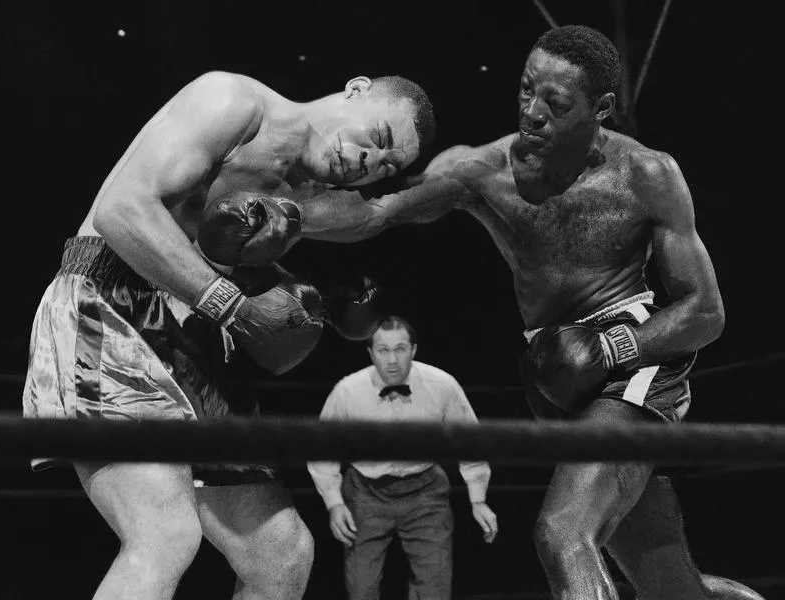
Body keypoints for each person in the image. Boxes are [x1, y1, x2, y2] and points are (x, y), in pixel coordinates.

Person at [294, 25, 765, 600]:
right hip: (553, 374)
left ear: (603, 109)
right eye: (525, 91)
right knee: (663, 578)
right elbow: (377, 213)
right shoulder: (482, 172)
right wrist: (288, 214)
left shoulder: (646, 175)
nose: (533, 112)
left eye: (557, 103)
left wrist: (607, 350)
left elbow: (706, 311)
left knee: (562, 534)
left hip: (632, 359)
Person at [22, 70, 436, 600]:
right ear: (356, 89)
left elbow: (389, 215)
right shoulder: (234, 103)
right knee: (164, 535)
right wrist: (234, 306)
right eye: (378, 139)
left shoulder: (304, 200)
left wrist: (311, 306)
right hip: (107, 301)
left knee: (281, 554)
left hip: (191, 332)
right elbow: (120, 210)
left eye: (386, 166)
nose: (368, 163)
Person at [307, 315, 498, 600]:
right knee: (361, 588)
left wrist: (479, 499)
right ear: (371, 353)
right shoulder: (347, 391)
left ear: (414, 350)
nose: (392, 360)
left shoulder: (442, 385)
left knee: (435, 587)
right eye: (383, 350)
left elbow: (469, 441)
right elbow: (322, 449)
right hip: (365, 493)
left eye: (400, 349)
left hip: (425, 493)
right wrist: (334, 503)